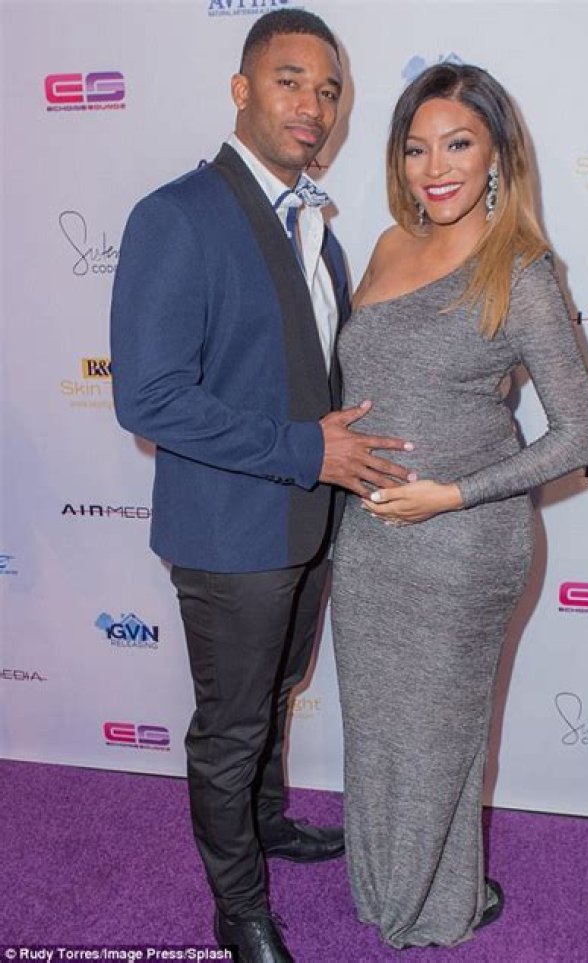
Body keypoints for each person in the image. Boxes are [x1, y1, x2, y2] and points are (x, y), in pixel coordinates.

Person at [110, 11, 413, 962]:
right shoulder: (176, 215)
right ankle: (237, 907)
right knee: (232, 728)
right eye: (290, 81)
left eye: (329, 90)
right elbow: (148, 397)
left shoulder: (315, 225)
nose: (312, 105)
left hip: (308, 520)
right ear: (241, 90)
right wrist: (304, 451)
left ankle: (267, 820)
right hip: (229, 531)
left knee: (278, 690)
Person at [331, 63, 588, 949]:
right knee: (377, 729)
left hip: (461, 549)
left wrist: (452, 494)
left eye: (457, 144)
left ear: (496, 157)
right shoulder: (386, 246)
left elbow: (581, 433)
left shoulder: (519, 270)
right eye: (416, 149)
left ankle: (436, 905)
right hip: (368, 539)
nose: (434, 168)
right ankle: (387, 892)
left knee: (436, 738)